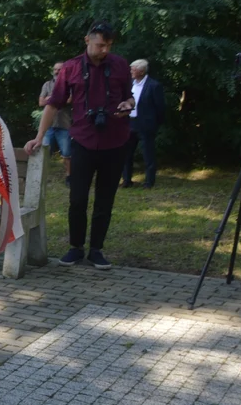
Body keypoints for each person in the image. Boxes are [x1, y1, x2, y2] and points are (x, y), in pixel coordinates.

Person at [25, 21, 135, 270]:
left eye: (108, 45)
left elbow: (130, 96)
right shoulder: (72, 67)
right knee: (77, 199)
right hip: (83, 141)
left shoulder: (119, 64)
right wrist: (40, 136)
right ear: (87, 40)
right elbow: (53, 104)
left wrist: (128, 105)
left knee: (105, 200)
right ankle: (76, 247)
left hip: (115, 141)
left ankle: (97, 249)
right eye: (99, 45)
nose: (104, 50)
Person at [122, 59, 166, 190]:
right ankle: (126, 180)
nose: (130, 71)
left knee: (148, 154)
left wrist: (154, 123)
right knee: (126, 154)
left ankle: (149, 181)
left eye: (133, 69)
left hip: (146, 125)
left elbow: (160, 107)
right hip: (130, 123)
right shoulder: (129, 84)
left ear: (141, 71)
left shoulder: (154, 85)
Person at [40, 61, 73, 186]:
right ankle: (41, 177)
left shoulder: (70, 85)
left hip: (64, 125)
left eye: (60, 69)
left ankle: (69, 177)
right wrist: (54, 99)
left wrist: (51, 98)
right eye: (55, 69)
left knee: (66, 154)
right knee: (43, 153)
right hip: (49, 126)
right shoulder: (47, 84)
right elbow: (41, 102)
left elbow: (70, 100)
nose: (57, 71)